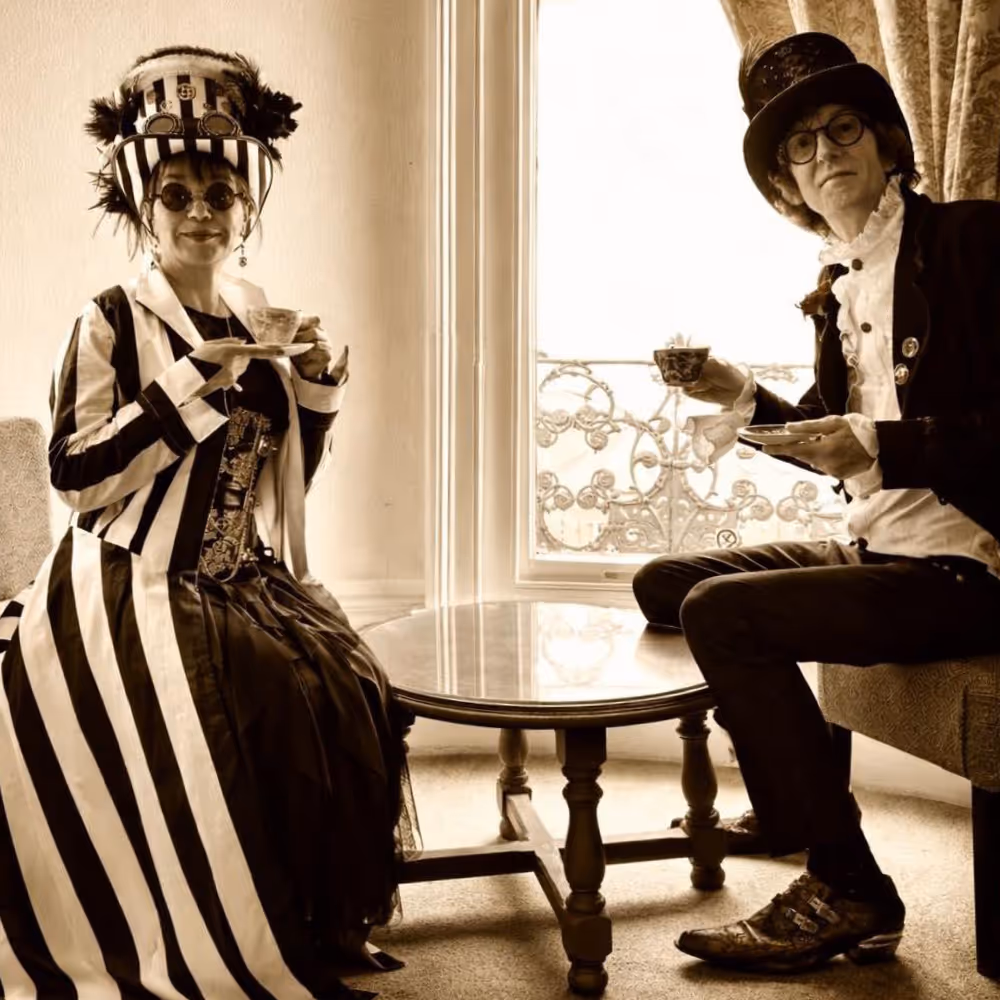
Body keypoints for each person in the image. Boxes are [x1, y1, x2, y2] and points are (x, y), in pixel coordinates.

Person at [0, 46, 417, 1000]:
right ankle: (250, 933)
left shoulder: (255, 312)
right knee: (266, 702)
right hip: (131, 571)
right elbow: (74, 477)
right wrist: (192, 381)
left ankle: (325, 920)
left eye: (219, 195)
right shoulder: (108, 320)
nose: (199, 213)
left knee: (354, 683)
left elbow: (277, 476)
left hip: (239, 568)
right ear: (144, 211)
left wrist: (317, 389)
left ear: (247, 209)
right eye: (177, 196)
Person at [632, 31, 1000, 972]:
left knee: (721, 613)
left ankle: (845, 883)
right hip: (882, 548)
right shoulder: (837, 288)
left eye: (843, 129)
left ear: (885, 144)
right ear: (787, 184)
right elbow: (836, 440)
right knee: (664, 583)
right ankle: (791, 792)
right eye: (801, 145)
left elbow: (902, 440)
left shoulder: (972, 243)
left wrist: (883, 445)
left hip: (972, 564)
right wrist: (739, 394)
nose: (825, 152)